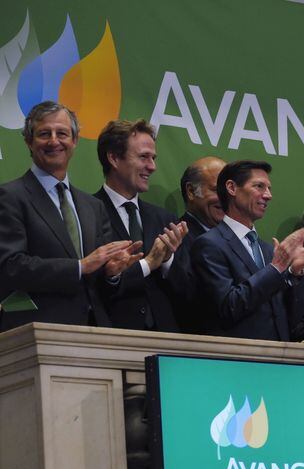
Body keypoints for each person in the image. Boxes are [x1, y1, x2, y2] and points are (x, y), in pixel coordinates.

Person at [0, 101, 140, 331]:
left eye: (62, 133)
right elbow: (10, 267)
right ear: (29, 141)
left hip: (95, 332)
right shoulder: (10, 197)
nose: (54, 141)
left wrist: (112, 273)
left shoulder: (93, 206)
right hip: (36, 332)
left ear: (74, 141)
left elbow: (100, 279)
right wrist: (79, 266)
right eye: (44, 133)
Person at [192, 160, 304, 340]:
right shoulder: (209, 245)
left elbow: (292, 320)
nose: (268, 195)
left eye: (268, 188)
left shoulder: (268, 250)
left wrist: (294, 273)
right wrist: (276, 267)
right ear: (232, 188)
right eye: (259, 186)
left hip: (280, 358)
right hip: (238, 359)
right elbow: (229, 307)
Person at [95, 119, 189, 332]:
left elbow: (187, 292)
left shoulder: (165, 219)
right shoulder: (88, 212)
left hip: (165, 344)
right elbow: (95, 286)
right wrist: (148, 263)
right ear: (114, 158)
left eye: (153, 158)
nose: (152, 166)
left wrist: (167, 260)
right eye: (143, 157)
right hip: (112, 337)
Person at [174, 156, 225, 333]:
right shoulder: (176, 238)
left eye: (228, 191)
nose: (225, 199)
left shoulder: (236, 240)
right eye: (216, 190)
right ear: (191, 191)